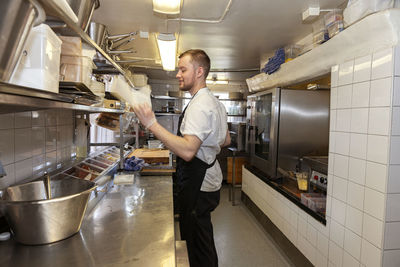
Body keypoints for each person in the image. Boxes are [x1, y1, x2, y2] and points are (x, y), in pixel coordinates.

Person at [133, 49, 230, 267]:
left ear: (199, 72)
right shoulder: (215, 103)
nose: (178, 74)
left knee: (197, 245)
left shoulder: (200, 105)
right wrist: (206, 143)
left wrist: (152, 124)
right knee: (202, 238)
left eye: (183, 69)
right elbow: (225, 141)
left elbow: (187, 151)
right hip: (209, 178)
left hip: (199, 183)